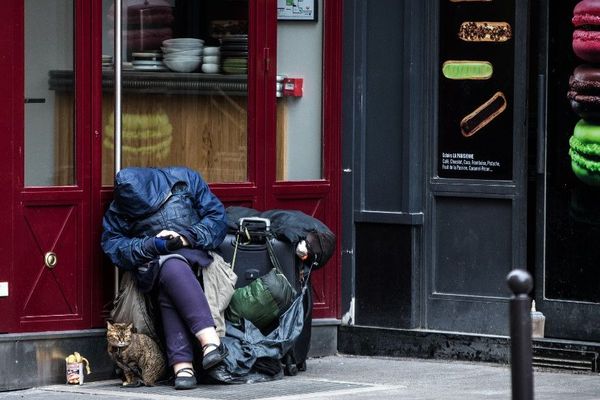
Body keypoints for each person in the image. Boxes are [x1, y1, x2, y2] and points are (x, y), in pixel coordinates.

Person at [101, 166, 228, 390]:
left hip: (198, 259)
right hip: (151, 267)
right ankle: (210, 343)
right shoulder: (121, 205)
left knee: (170, 271)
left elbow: (217, 220)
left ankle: (182, 367)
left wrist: (185, 237)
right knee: (169, 264)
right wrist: (152, 245)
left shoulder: (186, 179)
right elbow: (113, 245)